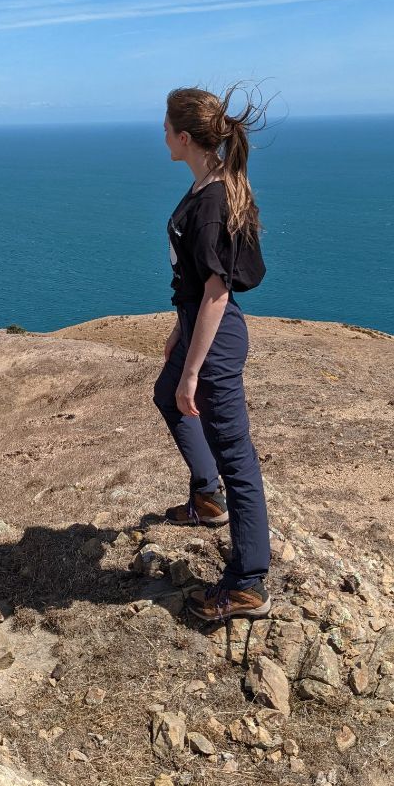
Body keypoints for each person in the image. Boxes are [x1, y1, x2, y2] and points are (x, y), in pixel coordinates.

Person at [153, 82, 272, 622]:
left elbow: (218, 292)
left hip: (216, 343)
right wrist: (178, 338)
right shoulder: (210, 183)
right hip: (199, 327)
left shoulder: (213, 200)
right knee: (164, 393)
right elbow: (199, 283)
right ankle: (206, 496)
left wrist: (193, 370)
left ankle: (248, 581)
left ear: (184, 136)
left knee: (237, 459)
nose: (161, 134)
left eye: (165, 126)